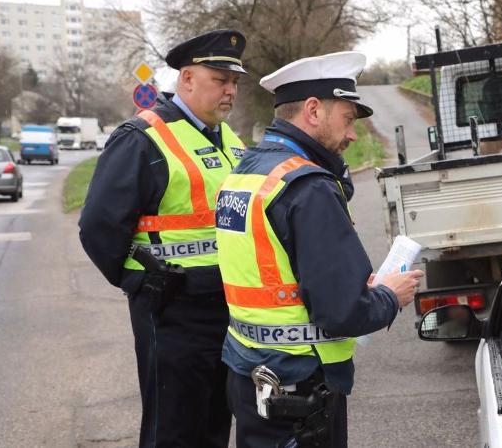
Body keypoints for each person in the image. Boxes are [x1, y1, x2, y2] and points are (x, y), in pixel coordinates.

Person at [215, 51, 424, 448]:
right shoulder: (308, 187)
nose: (352, 134)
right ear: (313, 110)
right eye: (347, 119)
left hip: (250, 375)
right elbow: (342, 310)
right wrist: (388, 297)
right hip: (300, 388)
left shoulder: (244, 172)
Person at [78, 29, 249, 448]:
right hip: (173, 311)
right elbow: (99, 226)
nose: (230, 92)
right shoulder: (141, 138)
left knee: (214, 423)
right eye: (220, 81)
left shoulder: (228, 138)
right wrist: (139, 282)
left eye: (235, 83)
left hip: (226, 307)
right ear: (187, 79)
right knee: (172, 431)